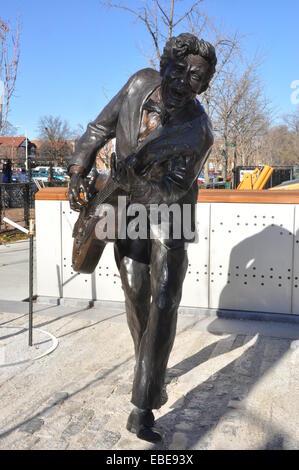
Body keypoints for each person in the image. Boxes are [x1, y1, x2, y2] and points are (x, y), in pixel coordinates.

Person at [68, 33, 217, 443]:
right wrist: (77, 169)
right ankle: (149, 368)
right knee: (135, 291)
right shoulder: (138, 83)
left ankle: (144, 405)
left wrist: (136, 177)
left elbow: (172, 187)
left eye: (196, 78)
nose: (185, 81)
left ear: (204, 85)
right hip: (125, 204)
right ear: (164, 64)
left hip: (173, 210)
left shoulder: (199, 130)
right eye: (180, 70)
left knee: (164, 298)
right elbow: (100, 125)